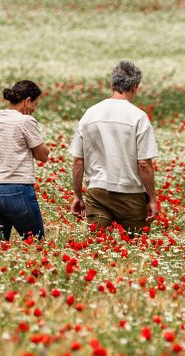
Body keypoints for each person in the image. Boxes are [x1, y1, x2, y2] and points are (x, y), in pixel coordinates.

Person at [70, 60, 159, 235]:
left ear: (112, 85)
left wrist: (77, 195)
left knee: (97, 247)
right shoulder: (138, 117)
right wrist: (153, 199)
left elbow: (78, 160)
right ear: (135, 87)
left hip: (97, 192)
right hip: (131, 193)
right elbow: (144, 164)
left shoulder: (90, 113)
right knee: (136, 247)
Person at [0, 80, 50, 241]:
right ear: (27, 101)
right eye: (34, 104)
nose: (33, 110)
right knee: (35, 243)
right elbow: (42, 156)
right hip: (18, 189)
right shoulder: (25, 121)